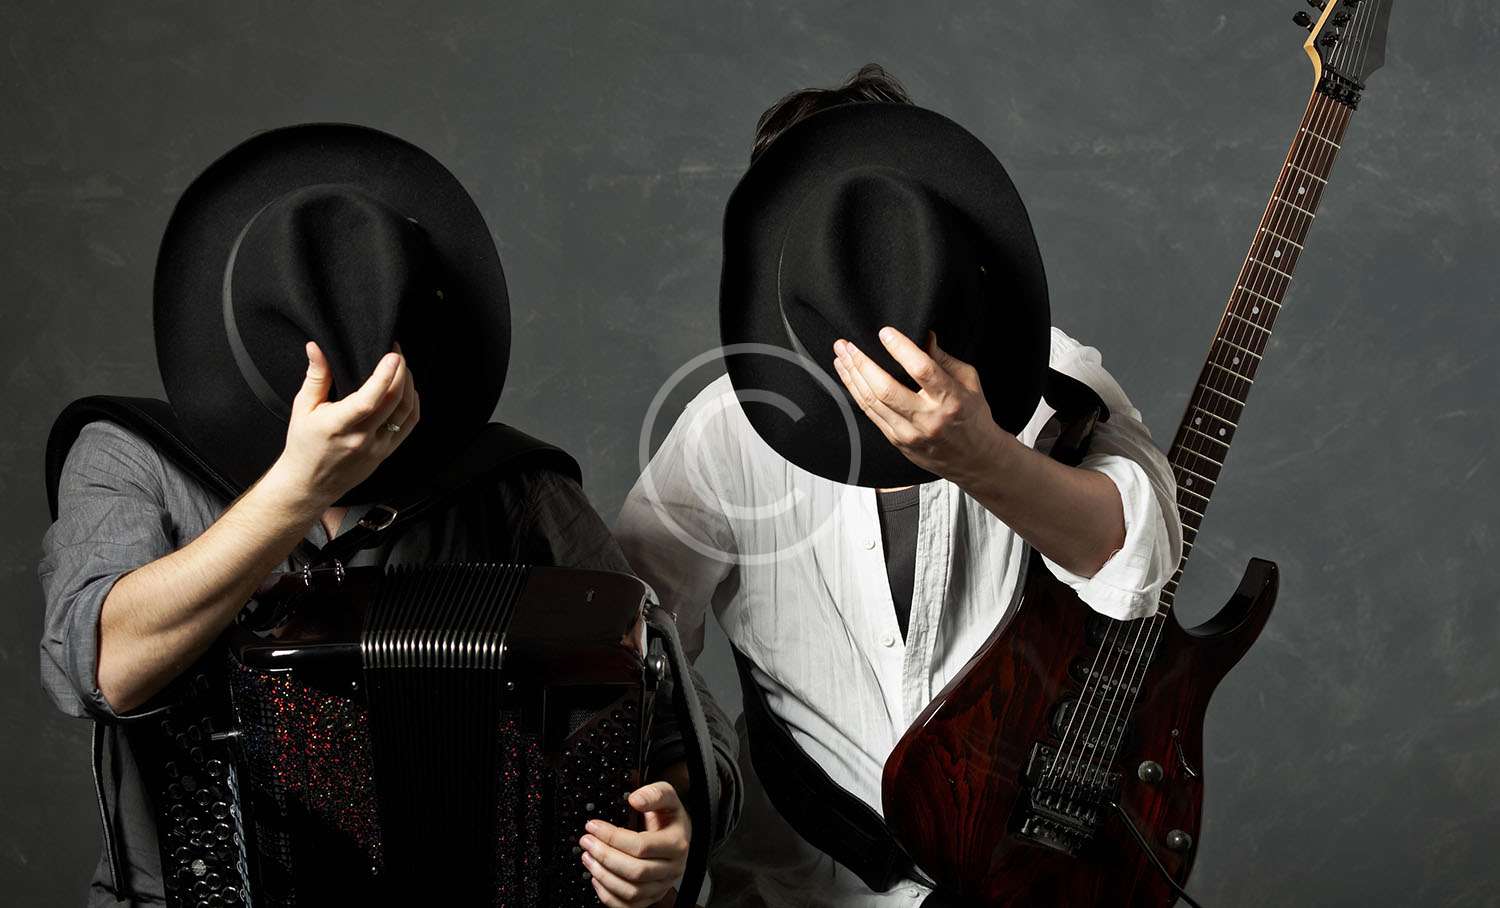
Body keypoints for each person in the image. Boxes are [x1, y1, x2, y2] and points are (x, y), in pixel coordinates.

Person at [38, 123, 738, 907]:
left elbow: (681, 716)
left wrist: (673, 828)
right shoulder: (129, 459)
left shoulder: (513, 490)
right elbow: (101, 671)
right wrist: (295, 490)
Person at [615, 65, 1183, 905]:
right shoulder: (726, 428)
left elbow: (1141, 561)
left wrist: (982, 455)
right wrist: (677, 801)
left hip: (1025, 880)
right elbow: (628, 654)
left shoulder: (1052, 376)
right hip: (797, 885)